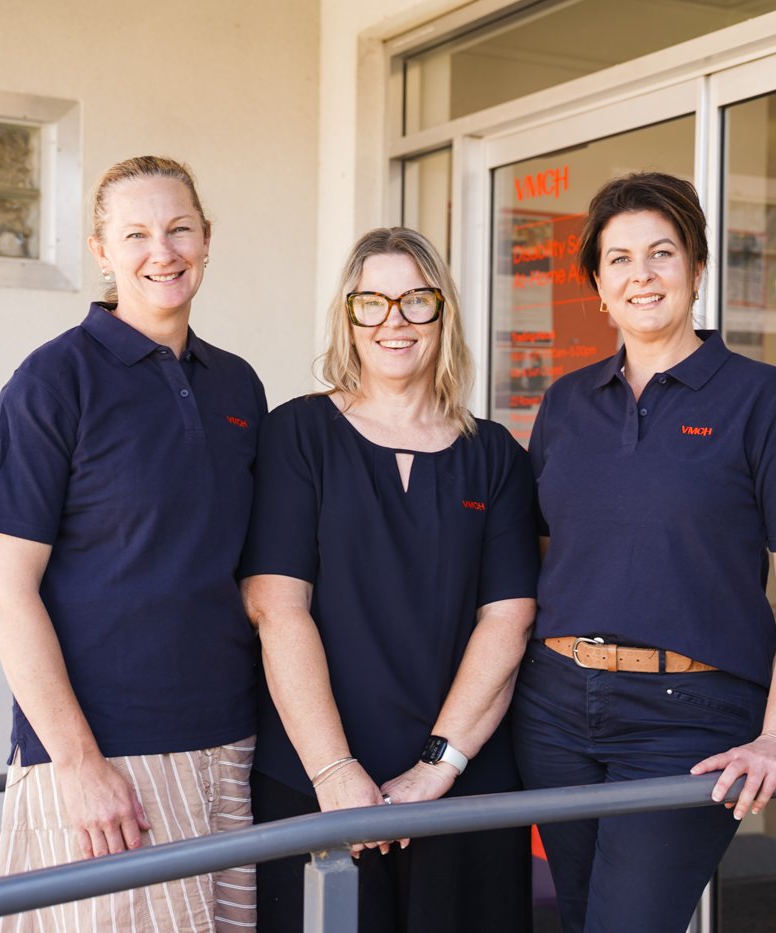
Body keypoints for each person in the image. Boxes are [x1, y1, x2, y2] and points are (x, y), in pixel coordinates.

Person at [513, 172, 776, 933]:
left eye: (662, 253)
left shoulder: (764, 400)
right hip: (555, 709)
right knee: (575, 917)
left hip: (688, 721)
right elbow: (544, 554)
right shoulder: (567, 401)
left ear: (697, 269)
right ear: (598, 285)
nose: (642, 274)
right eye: (620, 258)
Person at [0, 155, 266, 931]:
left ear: (207, 238)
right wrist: (77, 763)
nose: (161, 251)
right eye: (135, 234)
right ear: (101, 251)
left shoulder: (237, 386)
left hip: (228, 744)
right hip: (109, 756)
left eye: (178, 229)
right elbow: (6, 591)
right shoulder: (50, 383)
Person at [240, 227, 538, 933]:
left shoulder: (494, 455)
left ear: (445, 313)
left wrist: (438, 765)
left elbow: (510, 619)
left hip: (463, 787)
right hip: (312, 780)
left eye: (415, 301)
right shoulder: (298, 434)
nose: (394, 321)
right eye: (372, 302)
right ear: (348, 316)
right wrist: (335, 771)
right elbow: (276, 607)